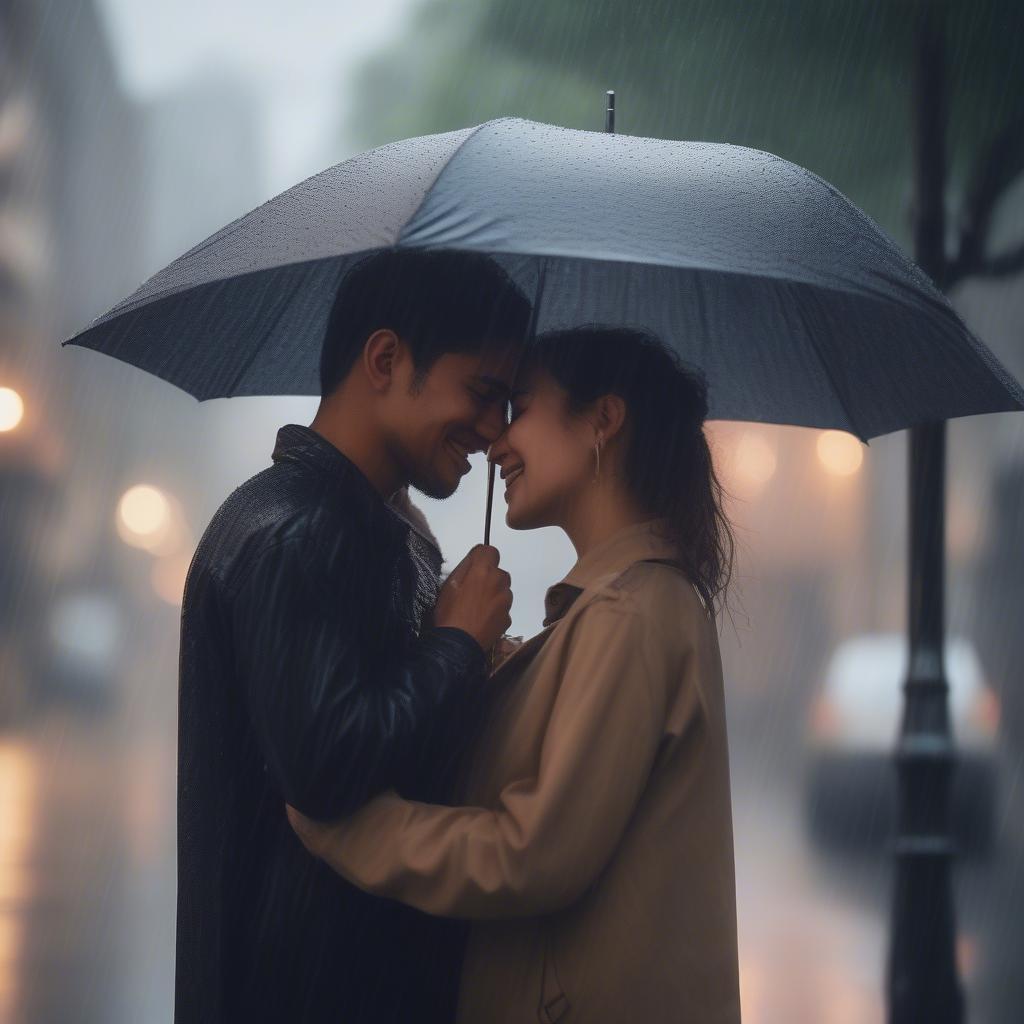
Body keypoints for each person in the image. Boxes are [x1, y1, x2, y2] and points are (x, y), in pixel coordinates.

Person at [287, 326, 743, 1024]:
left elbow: (531, 855)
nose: (497, 439)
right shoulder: (619, 609)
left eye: (521, 407)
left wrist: (352, 831)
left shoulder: (630, 614)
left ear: (603, 420)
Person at [175, 247, 531, 1024]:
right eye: (483, 392)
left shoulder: (392, 536)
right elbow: (330, 767)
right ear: (384, 358)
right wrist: (455, 645)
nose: (495, 428)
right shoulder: (293, 532)